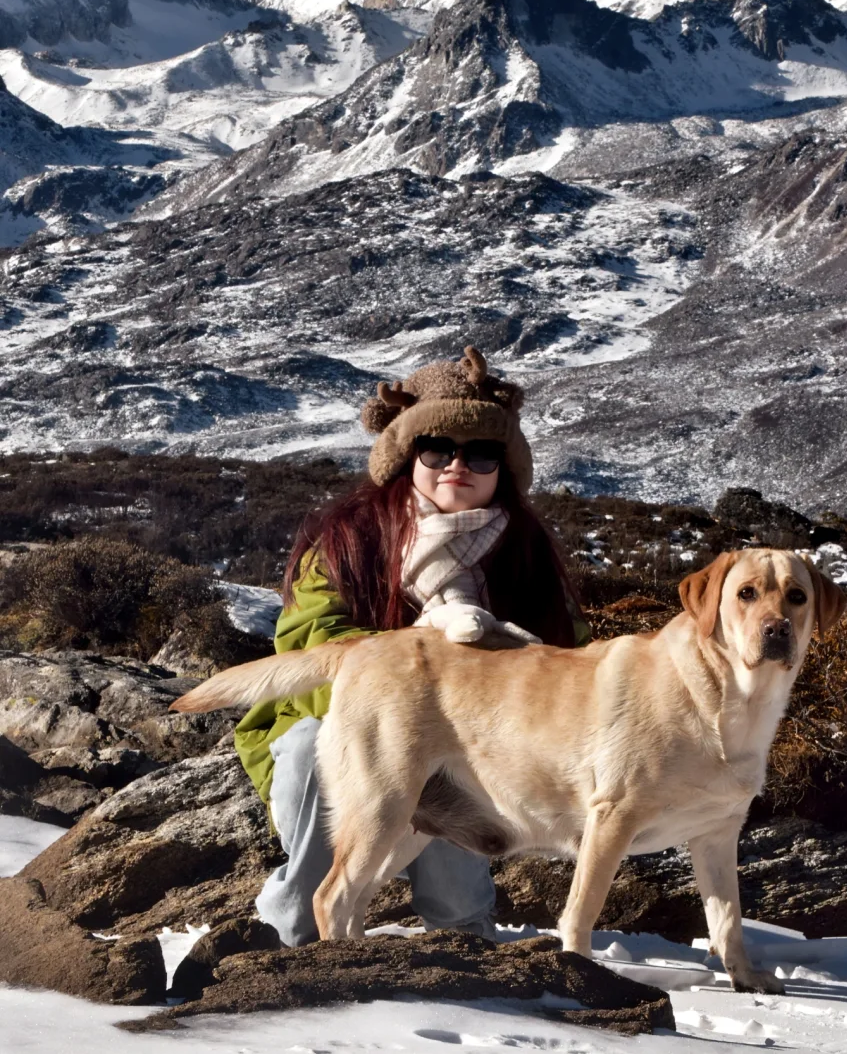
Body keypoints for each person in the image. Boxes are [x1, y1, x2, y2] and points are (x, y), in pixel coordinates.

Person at [235, 345, 587, 946]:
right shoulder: (348, 540)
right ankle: (293, 935)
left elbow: (570, 663)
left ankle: (462, 941)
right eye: (436, 449)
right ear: (405, 456)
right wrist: (430, 652)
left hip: (473, 740)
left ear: (504, 467)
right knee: (312, 751)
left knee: (462, 759)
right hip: (339, 723)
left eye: (481, 452)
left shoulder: (526, 558)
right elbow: (312, 646)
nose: (458, 465)